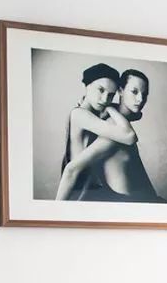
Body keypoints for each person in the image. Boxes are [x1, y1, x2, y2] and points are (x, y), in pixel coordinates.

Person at [56, 67, 160, 202]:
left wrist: (113, 108)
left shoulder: (96, 114)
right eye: (100, 90)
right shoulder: (79, 113)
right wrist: (56, 208)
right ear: (87, 86)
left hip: (93, 188)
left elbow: (137, 115)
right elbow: (129, 136)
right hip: (81, 188)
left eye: (110, 95)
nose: (105, 99)